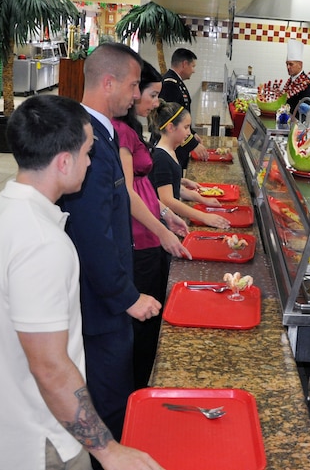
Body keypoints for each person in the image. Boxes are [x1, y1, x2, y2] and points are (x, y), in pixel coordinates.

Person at [0, 94, 164, 469]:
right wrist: (108, 450)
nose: (91, 162)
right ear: (64, 161)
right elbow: (50, 367)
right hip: (39, 441)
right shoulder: (41, 242)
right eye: (88, 153)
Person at [58, 42, 163, 447]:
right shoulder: (91, 145)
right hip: (101, 307)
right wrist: (126, 295)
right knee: (109, 406)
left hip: (109, 298)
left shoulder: (100, 134)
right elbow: (91, 233)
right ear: (108, 82)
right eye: (134, 85)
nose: (137, 95)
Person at [112, 60, 192, 390]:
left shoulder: (133, 128)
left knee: (154, 317)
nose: (157, 102)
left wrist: (165, 213)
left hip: (151, 231)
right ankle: (140, 389)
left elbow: (143, 190)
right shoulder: (120, 133)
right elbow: (128, 193)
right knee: (145, 323)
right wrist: (161, 230)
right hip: (140, 238)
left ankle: (147, 382)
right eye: (152, 94)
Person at [148, 100, 232, 230]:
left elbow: (174, 186)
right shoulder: (161, 158)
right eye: (186, 127)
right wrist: (203, 216)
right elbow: (167, 200)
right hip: (163, 224)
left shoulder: (170, 151)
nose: (189, 133)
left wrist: (202, 199)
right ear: (170, 128)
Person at [160, 48, 210, 167]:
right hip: (172, 144)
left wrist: (192, 133)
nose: (193, 71)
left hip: (178, 143)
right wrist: (192, 144)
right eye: (193, 66)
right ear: (184, 64)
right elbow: (172, 119)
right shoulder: (170, 84)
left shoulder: (177, 82)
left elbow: (181, 114)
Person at [283, 39, 310, 114]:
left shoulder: (306, 84)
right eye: (287, 64)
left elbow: (305, 112)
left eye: (291, 64)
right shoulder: (291, 81)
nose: (288, 67)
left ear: (300, 65)